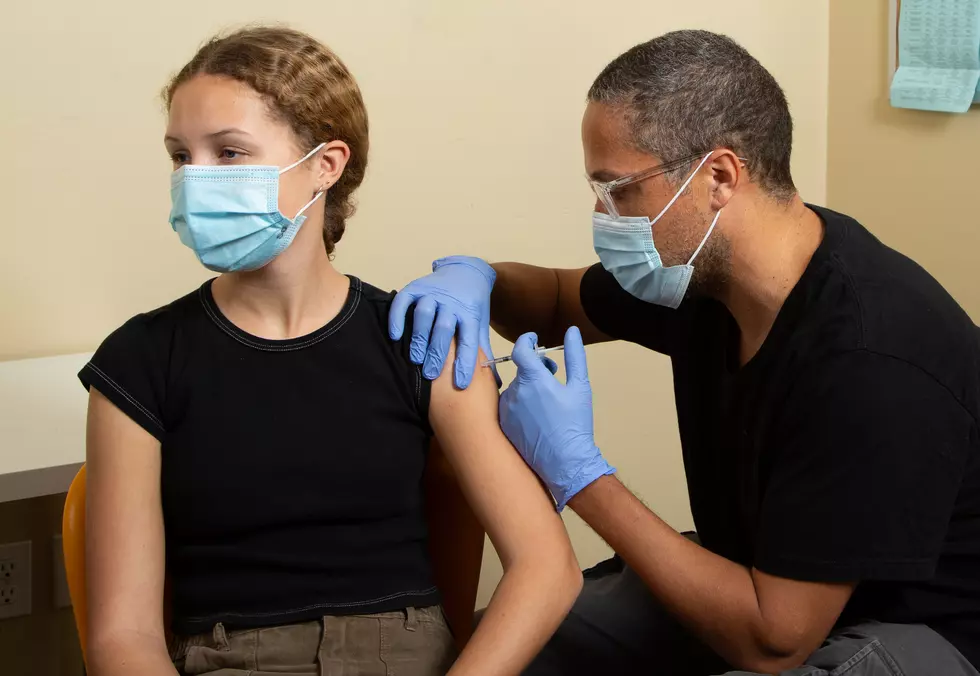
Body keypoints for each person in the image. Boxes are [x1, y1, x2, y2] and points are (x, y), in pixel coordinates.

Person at [390, 30, 980, 676]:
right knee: (507, 651)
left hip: (919, 629)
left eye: (617, 189)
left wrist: (580, 475)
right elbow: (557, 301)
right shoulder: (705, 277)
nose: (601, 212)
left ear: (720, 176)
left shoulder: (869, 357)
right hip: (763, 575)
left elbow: (771, 641)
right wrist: (477, 277)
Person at [79, 26, 581, 676]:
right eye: (181, 156)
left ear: (326, 163)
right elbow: (123, 639)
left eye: (229, 153)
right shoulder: (138, 365)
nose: (195, 181)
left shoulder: (419, 339)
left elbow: (547, 569)